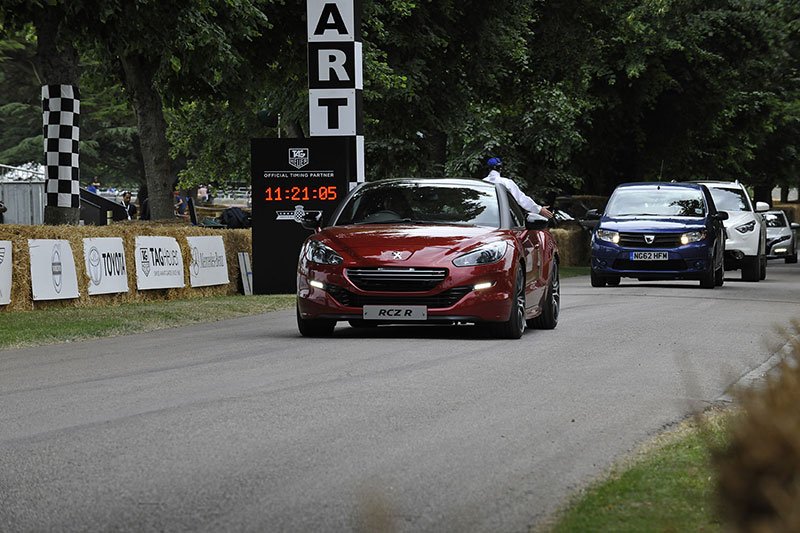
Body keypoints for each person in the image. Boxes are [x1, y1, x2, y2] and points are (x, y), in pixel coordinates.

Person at [483, 157, 553, 220]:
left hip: (483, 218)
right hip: (503, 220)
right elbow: (521, 199)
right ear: (500, 168)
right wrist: (539, 209)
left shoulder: (482, 183)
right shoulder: (507, 182)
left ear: (488, 168)